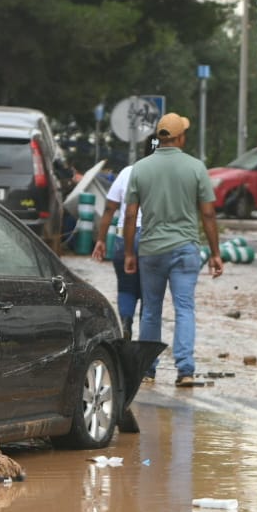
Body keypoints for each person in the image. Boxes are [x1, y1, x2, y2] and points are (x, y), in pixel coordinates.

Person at [122, 111, 223, 387]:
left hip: (151, 250)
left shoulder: (141, 168)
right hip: (184, 249)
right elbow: (209, 215)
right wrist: (215, 253)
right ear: (179, 137)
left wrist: (129, 252)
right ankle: (185, 370)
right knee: (184, 308)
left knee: (151, 310)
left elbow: (130, 216)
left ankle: (147, 370)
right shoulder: (196, 168)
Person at [90, 149, 148, 339]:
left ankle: (125, 323)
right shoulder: (167, 175)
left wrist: (100, 240)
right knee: (151, 294)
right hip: (152, 237)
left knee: (126, 288)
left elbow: (109, 208)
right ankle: (147, 343)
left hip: (124, 236)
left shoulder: (126, 172)